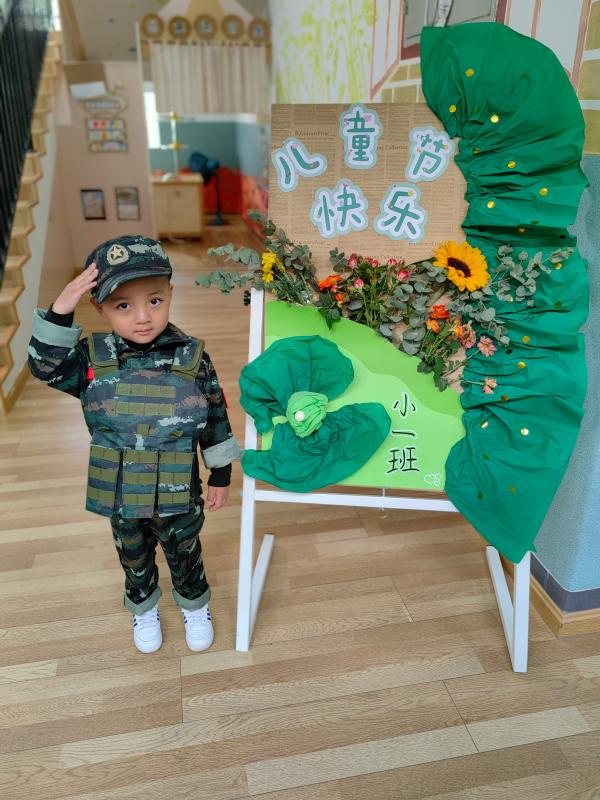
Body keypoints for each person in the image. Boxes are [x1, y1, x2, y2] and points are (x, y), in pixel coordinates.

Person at [28, 235, 242, 654]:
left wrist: (220, 473)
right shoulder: (90, 359)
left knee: (185, 551)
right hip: (121, 493)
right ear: (100, 307)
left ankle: (195, 604)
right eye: (123, 305)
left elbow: (215, 414)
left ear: (170, 294)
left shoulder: (192, 357)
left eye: (155, 301)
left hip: (179, 492)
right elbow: (43, 367)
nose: (143, 317)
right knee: (133, 556)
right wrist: (60, 310)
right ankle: (143, 608)